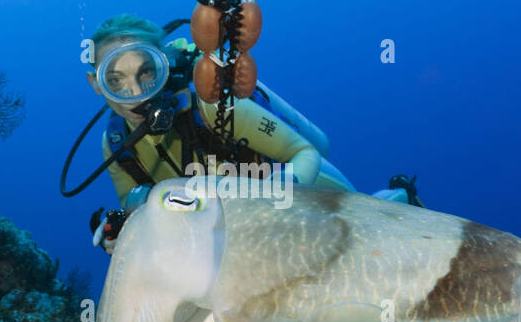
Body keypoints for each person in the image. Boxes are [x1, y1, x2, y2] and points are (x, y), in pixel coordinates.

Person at [86, 13, 420, 252]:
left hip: (297, 187)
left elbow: (305, 154)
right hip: (241, 228)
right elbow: (134, 206)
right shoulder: (115, 145)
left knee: (369, 226)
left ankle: (401, 195)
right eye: (115, 81)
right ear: (96, 86)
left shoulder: (211, 106)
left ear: (165, 68)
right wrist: (119, 231)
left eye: (147, 73)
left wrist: (275, 195)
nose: (136, 93)